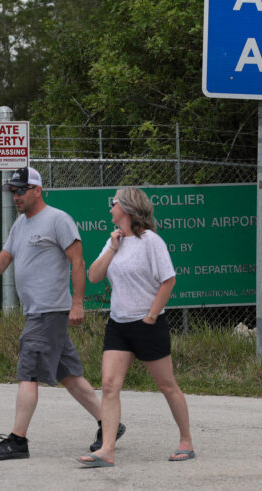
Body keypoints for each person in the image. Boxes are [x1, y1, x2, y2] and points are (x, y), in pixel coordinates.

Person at [0, 166, 125, 460]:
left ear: (37, 190)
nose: (16, 196)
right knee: (69, 375)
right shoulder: (20, 225)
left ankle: (17, 441)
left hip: (49, 311)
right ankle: (109, 423)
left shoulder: (58, 219)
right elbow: (6, 255)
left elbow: (78, 262)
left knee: (28, 372)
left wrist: (78, 303)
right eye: (12, 191)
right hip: (37, 312)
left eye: (21, 190)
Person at [77, 187, 194, 468]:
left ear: (127, 208)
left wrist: (152, 316)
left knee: (166, 385)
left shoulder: (150, 241)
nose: (110, 208)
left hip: (148, 324)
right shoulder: (114, 240)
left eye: (113, 203)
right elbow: (94, 276)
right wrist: (113, 249)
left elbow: (168, 280)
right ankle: (107, 450)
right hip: (118, 324)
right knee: (109, 385)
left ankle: (186, 441)